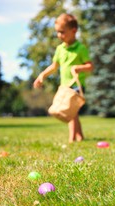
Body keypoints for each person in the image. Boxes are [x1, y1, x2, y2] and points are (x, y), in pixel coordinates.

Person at [33, 13, 93, 143]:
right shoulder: (60, 49)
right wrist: (42, 75)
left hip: (76, 85)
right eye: (57, 32)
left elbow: (89, 66)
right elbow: (54, 66)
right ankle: (80, 136)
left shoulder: (81, 48)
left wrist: (79, 68)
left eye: (62, 32)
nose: (59, 35)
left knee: (69, 111)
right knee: (73, 113)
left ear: (74, 31)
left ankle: (72, 139)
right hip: (64, 86)